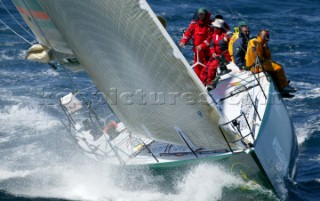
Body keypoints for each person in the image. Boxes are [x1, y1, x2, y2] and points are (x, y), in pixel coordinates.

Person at [179, 8, 212, 78]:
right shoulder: (194, 24)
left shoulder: (209, 25)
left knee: (206, 68)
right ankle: (199, 82)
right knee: (197, 67)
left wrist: (202, 46)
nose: (201, 16)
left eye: (202, 14)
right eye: (200, 14)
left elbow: (210, 38)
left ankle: (206, 83)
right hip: (197, 50)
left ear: (205, 15)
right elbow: (188, 33)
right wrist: (183, 41)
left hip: (206, 51)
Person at [200, 19, 232, 88]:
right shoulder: (214, 35)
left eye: (216, 28)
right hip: (216, 56)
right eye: (214, 27)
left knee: (211, 67)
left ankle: (210, 83)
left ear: (220, 28)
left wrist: (225, 40)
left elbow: (226, 46)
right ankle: (202, 84)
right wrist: (213, 52)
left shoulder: (225, 35)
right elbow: (211, 45)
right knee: (205, 69)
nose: (214, 29)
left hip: (224, 57)